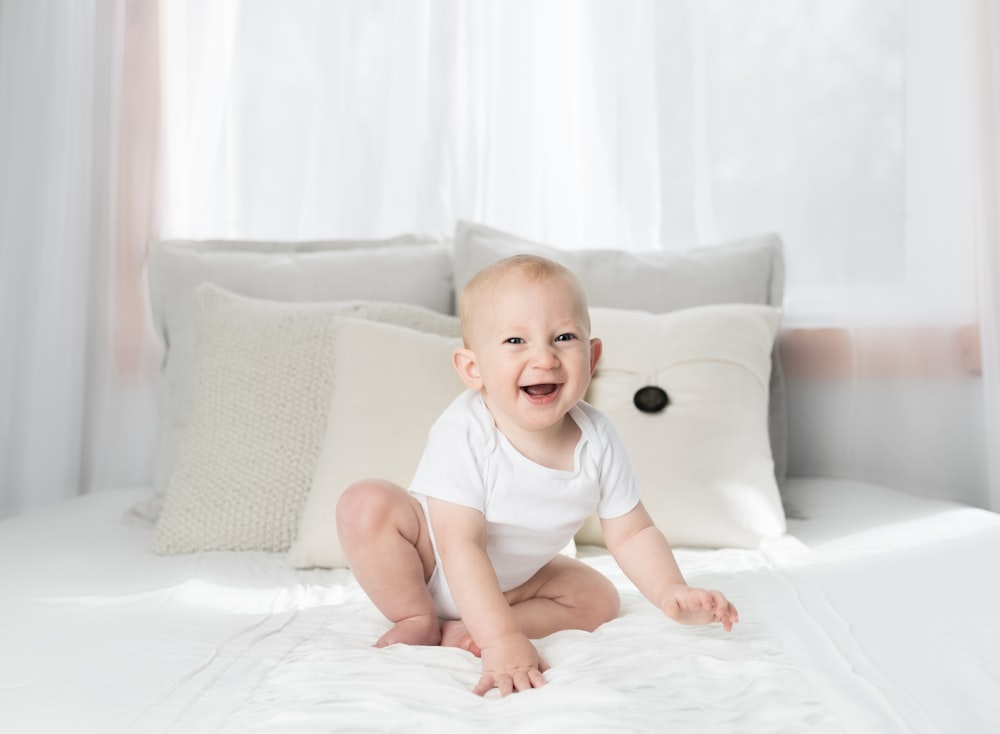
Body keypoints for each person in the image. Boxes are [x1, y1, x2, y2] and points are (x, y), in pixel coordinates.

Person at [336, 254, 739, 698]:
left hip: (515, 583)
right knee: (366, 504)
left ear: (593, 355)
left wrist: (670, 591)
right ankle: (417, 617)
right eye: (515, 341)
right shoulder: (465, 430)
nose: (544, 358)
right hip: (431, 560)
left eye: (564, 337)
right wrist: (503, 643)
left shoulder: (598, 438)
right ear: (473, 369)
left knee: (598, 598)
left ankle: (468, 628)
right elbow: (460, 544)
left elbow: (632, 532)